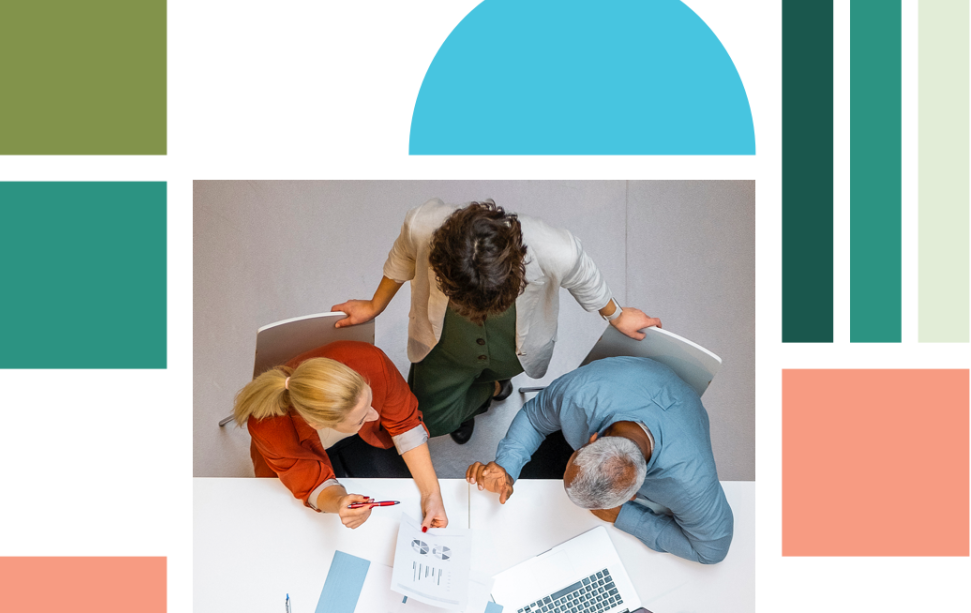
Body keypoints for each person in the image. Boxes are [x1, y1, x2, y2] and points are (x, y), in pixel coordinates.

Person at [330, 199, 661, 444]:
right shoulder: (421, 225)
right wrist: (375, 305)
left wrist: (617, 315)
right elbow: (402, 257)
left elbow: (585, 277)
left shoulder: (556, 248)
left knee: (497, 374)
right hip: (445, 342)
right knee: (430, 419)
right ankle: (487, 394)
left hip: (513, 347)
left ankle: (493, 386)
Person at [464, 357, 733, 564]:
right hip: (616, 383)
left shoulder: (691, 483)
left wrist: (625, 517)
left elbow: (711, 550)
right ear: (589, 440)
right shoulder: (577, 395)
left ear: (633, 495)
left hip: (678, 417)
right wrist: (507, 466)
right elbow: (536, 417)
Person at [232, 340, 447, 530]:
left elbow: (404, 425)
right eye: (362, 418)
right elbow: (312, 485)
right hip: (301, 460)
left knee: (403, 498)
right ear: (317, 423)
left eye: (370, 400)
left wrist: (432, 494)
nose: (375, 415)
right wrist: (339, 502)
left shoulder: (371, 361)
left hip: (364, 439)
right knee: (303, 527)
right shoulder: (270, 428)